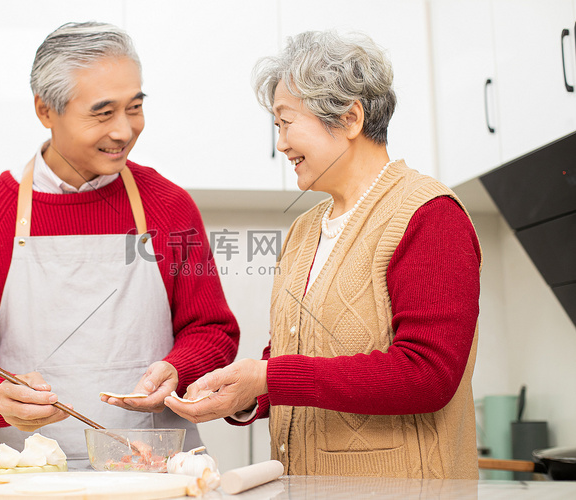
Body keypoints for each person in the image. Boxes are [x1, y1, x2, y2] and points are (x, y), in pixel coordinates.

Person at [165, 30, 481, 479]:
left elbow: (427, 373)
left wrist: (267, 378)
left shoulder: (429, 215)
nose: (281, 144)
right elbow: (289, 360)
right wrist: (247, 393)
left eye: (287, 123)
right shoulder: (303, 231)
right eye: (277, 127)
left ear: (350, 119)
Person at [0, 22, 239, 469]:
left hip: (151, 474)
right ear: (45, 110)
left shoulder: (169, 206)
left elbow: (212, 330)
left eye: (135, 107)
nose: (124, 130)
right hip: (15, 475)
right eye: (102, 112)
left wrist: (179, 369)